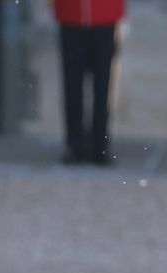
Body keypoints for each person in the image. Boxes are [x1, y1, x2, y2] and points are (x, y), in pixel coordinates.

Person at [52, 0, 125, 166]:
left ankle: (101, 144)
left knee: (102, 86)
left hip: (104, 13)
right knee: (72, 83)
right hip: (71, 13)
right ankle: (74, 144)